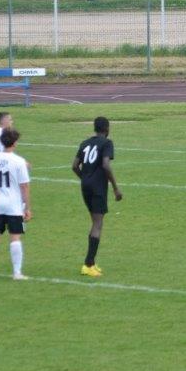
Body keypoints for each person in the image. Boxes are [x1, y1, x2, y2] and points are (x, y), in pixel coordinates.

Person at [72, 117, 122, 278]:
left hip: (85, 186)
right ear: (107, 129)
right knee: (97, 224)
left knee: (94, 222)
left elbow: (74, 166)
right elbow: (106, 165)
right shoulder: (107, 143)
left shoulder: (85, 143)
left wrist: (86, 178)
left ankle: (91, 262)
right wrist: (115, 188)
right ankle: (88, 265)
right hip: (98, 188)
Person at [0, 129, 31, 281]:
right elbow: (24, 186)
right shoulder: (19, 161)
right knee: (15, 238)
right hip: (13, 205)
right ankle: (17, 273)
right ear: (14, 143)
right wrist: (27, 207)